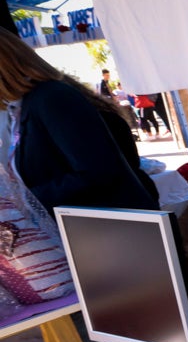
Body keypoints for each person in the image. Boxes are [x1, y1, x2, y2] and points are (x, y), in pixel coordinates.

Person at [0, 29, 157, 213]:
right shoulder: (26, 105)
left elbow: (98, 171)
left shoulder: (51, 98)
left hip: (108, 221)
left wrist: (27, 200)